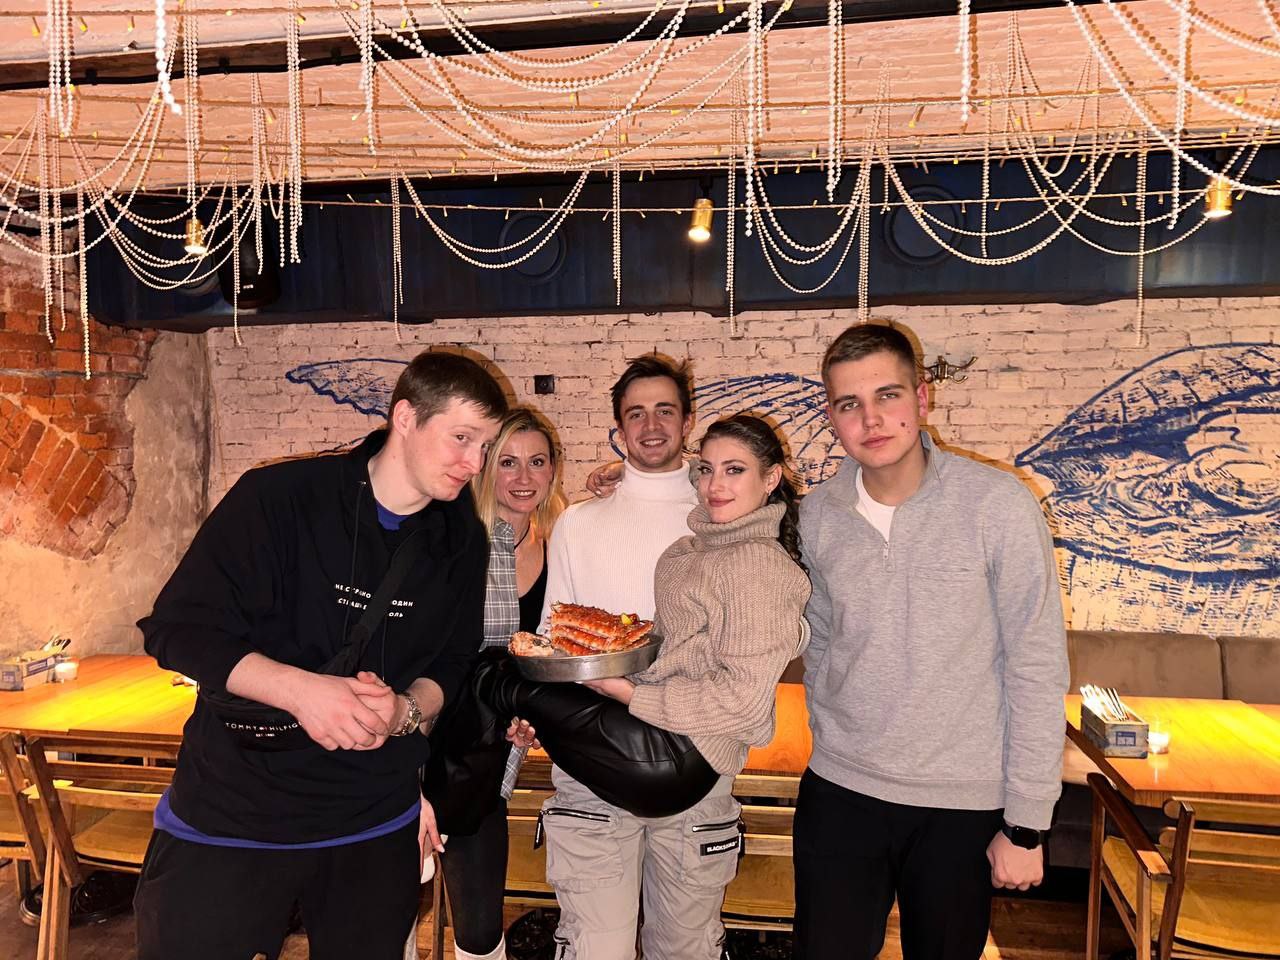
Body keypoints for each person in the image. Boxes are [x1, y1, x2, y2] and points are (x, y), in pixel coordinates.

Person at [133, 351, 507, 960]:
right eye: (462, 438)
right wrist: (301, 692)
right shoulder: (279, 498)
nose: (476, 464)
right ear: (405, 418)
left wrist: (405, 712)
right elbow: (176, 630)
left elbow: (453, 661)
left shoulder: (461, 537)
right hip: (235, 809)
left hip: (373, 819)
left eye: (486, 446)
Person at [792, 323, 1069, 960]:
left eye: (887, 396)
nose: (870, 419)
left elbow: (1035, 666)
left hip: (961, 803)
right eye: (848, 404)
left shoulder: (997, 505)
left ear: (921, 397)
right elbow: (822, 640)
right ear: (832, 416)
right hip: (842, 788)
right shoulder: (817, 515)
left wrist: (1027, 823)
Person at [582, 413, 811, 960]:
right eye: (706, 469)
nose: (715, 485)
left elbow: (743, 705)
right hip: (649, 745)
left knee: (680, 948)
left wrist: (629, 693)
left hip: (691, 768)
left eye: (735, 470)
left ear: (771, 479)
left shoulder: (758, 565)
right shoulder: (687, 552)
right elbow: (676, 654)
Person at [439, 407, 566, 960]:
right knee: (391, 897)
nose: (523, 477)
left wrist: (530, 711)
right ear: (486, 467)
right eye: (508, 462)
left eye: (537, 461)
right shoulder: (459, 539)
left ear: (553, 469)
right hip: (443, 737)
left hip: (500, 747)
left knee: (477, 916)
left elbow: (556, 649)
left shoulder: (563, 541)